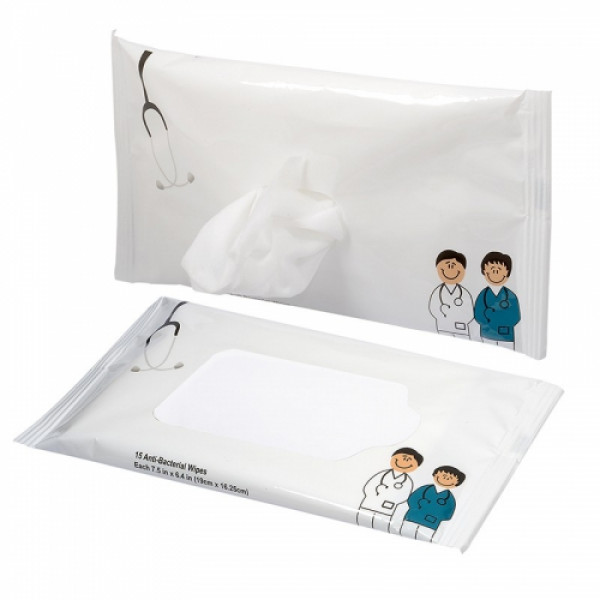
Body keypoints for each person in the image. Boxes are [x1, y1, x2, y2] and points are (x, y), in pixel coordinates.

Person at [356, 448, 423, 532]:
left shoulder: (407, 482)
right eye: (403, 457)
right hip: (368, 505)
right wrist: (376, 492)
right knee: (359, 524)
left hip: (386, 510)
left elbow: (405, 496)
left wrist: (394, 499)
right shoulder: (382, 474)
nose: (404, 461)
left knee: (380, 528)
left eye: (409, 460)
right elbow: (369, 487)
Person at [400, 465, 465, 542]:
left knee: (423, 541)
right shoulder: (425, 489)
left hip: (430, 524)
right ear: (435, 475)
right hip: (411, 518)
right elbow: (412, 499)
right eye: (444, 476)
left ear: (456, 483)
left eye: (450, 478)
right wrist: (417, 506)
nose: (446, 479)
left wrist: (437, 514)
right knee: (401, 535)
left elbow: (448, 515)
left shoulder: (449, 499)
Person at [474, 251, 521, 349]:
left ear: (507, 273)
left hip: (506, 336)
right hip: (487, 335)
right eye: (492, 269)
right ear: (484, 272)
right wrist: (489, 318)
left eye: (499, 269)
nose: (495, 272)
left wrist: (492, 316)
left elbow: (515, 317)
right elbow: (478, 315)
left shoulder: (511, 296)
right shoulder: (483, 295)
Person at [429, 250, 474, 338]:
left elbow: (470, 312)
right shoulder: (437, 292)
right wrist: (443, 315)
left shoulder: (464, 293)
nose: (450, 269)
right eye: (447, 265)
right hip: (443, 328)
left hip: (461, 330)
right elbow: (433, 308)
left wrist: (459, 316)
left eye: (453, 265)